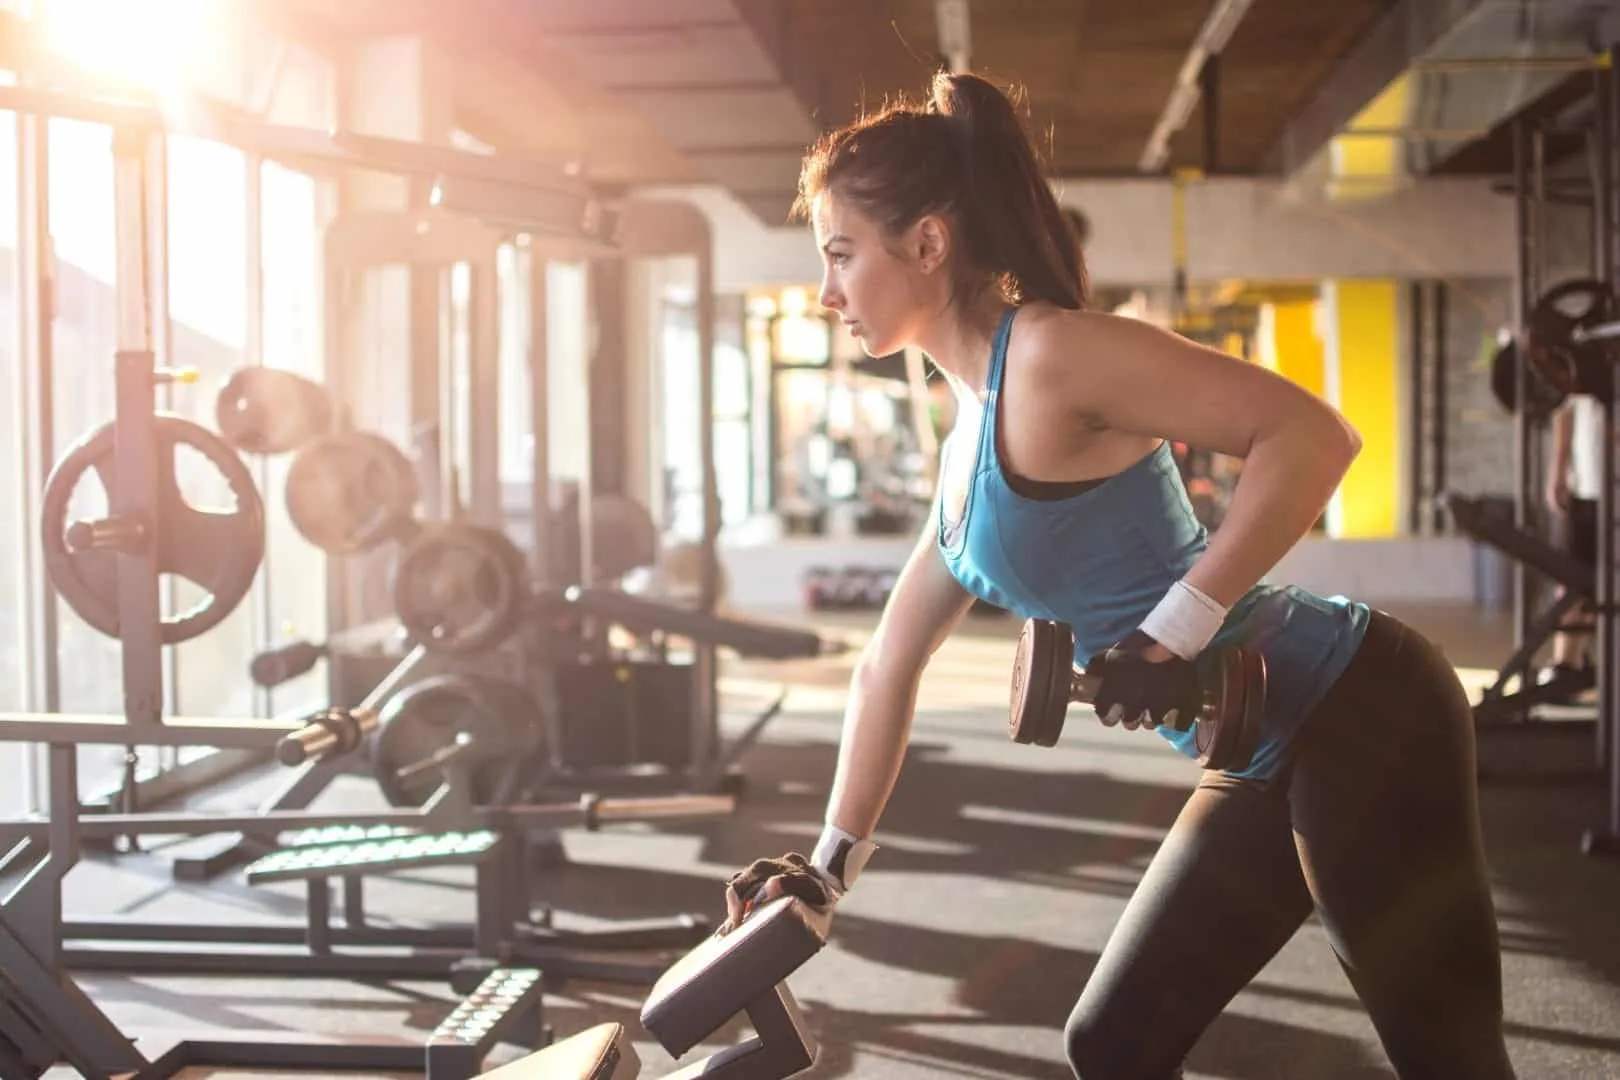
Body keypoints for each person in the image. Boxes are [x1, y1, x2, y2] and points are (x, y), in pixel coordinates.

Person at [720, 71, 1515, 1079]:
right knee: (1115, 1044)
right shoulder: (965, 425)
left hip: (1361, 706)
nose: (826, 290)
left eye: (841, 254)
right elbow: (890, 661)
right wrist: (826, 868)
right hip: (1258, 745)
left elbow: (1312, 436)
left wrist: (1172, 630)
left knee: (1447, 1058)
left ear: (927, 244)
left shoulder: (1054, 356)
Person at [1543, 391, 1602, 691]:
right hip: (1588, 487)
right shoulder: (1581, 348)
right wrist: (1558, 471)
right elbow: (1563, 408)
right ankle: (1567, 663)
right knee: (1571, 577)